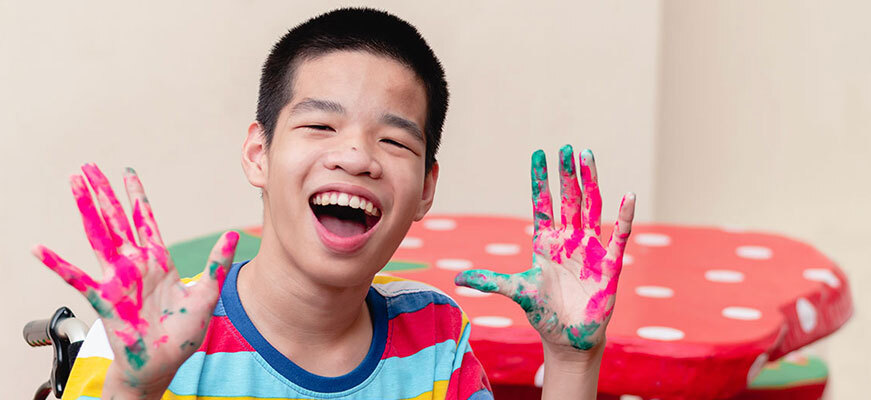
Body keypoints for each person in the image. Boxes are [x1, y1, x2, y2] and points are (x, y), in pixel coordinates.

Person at [34, 8, 636, 400]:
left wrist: (572, 364)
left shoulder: (433, 334)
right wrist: (136, 389)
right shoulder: (152, 339)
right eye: (320, 126)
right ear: (258, 153)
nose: (356, 156)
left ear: (427, 187)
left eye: (395, 139)